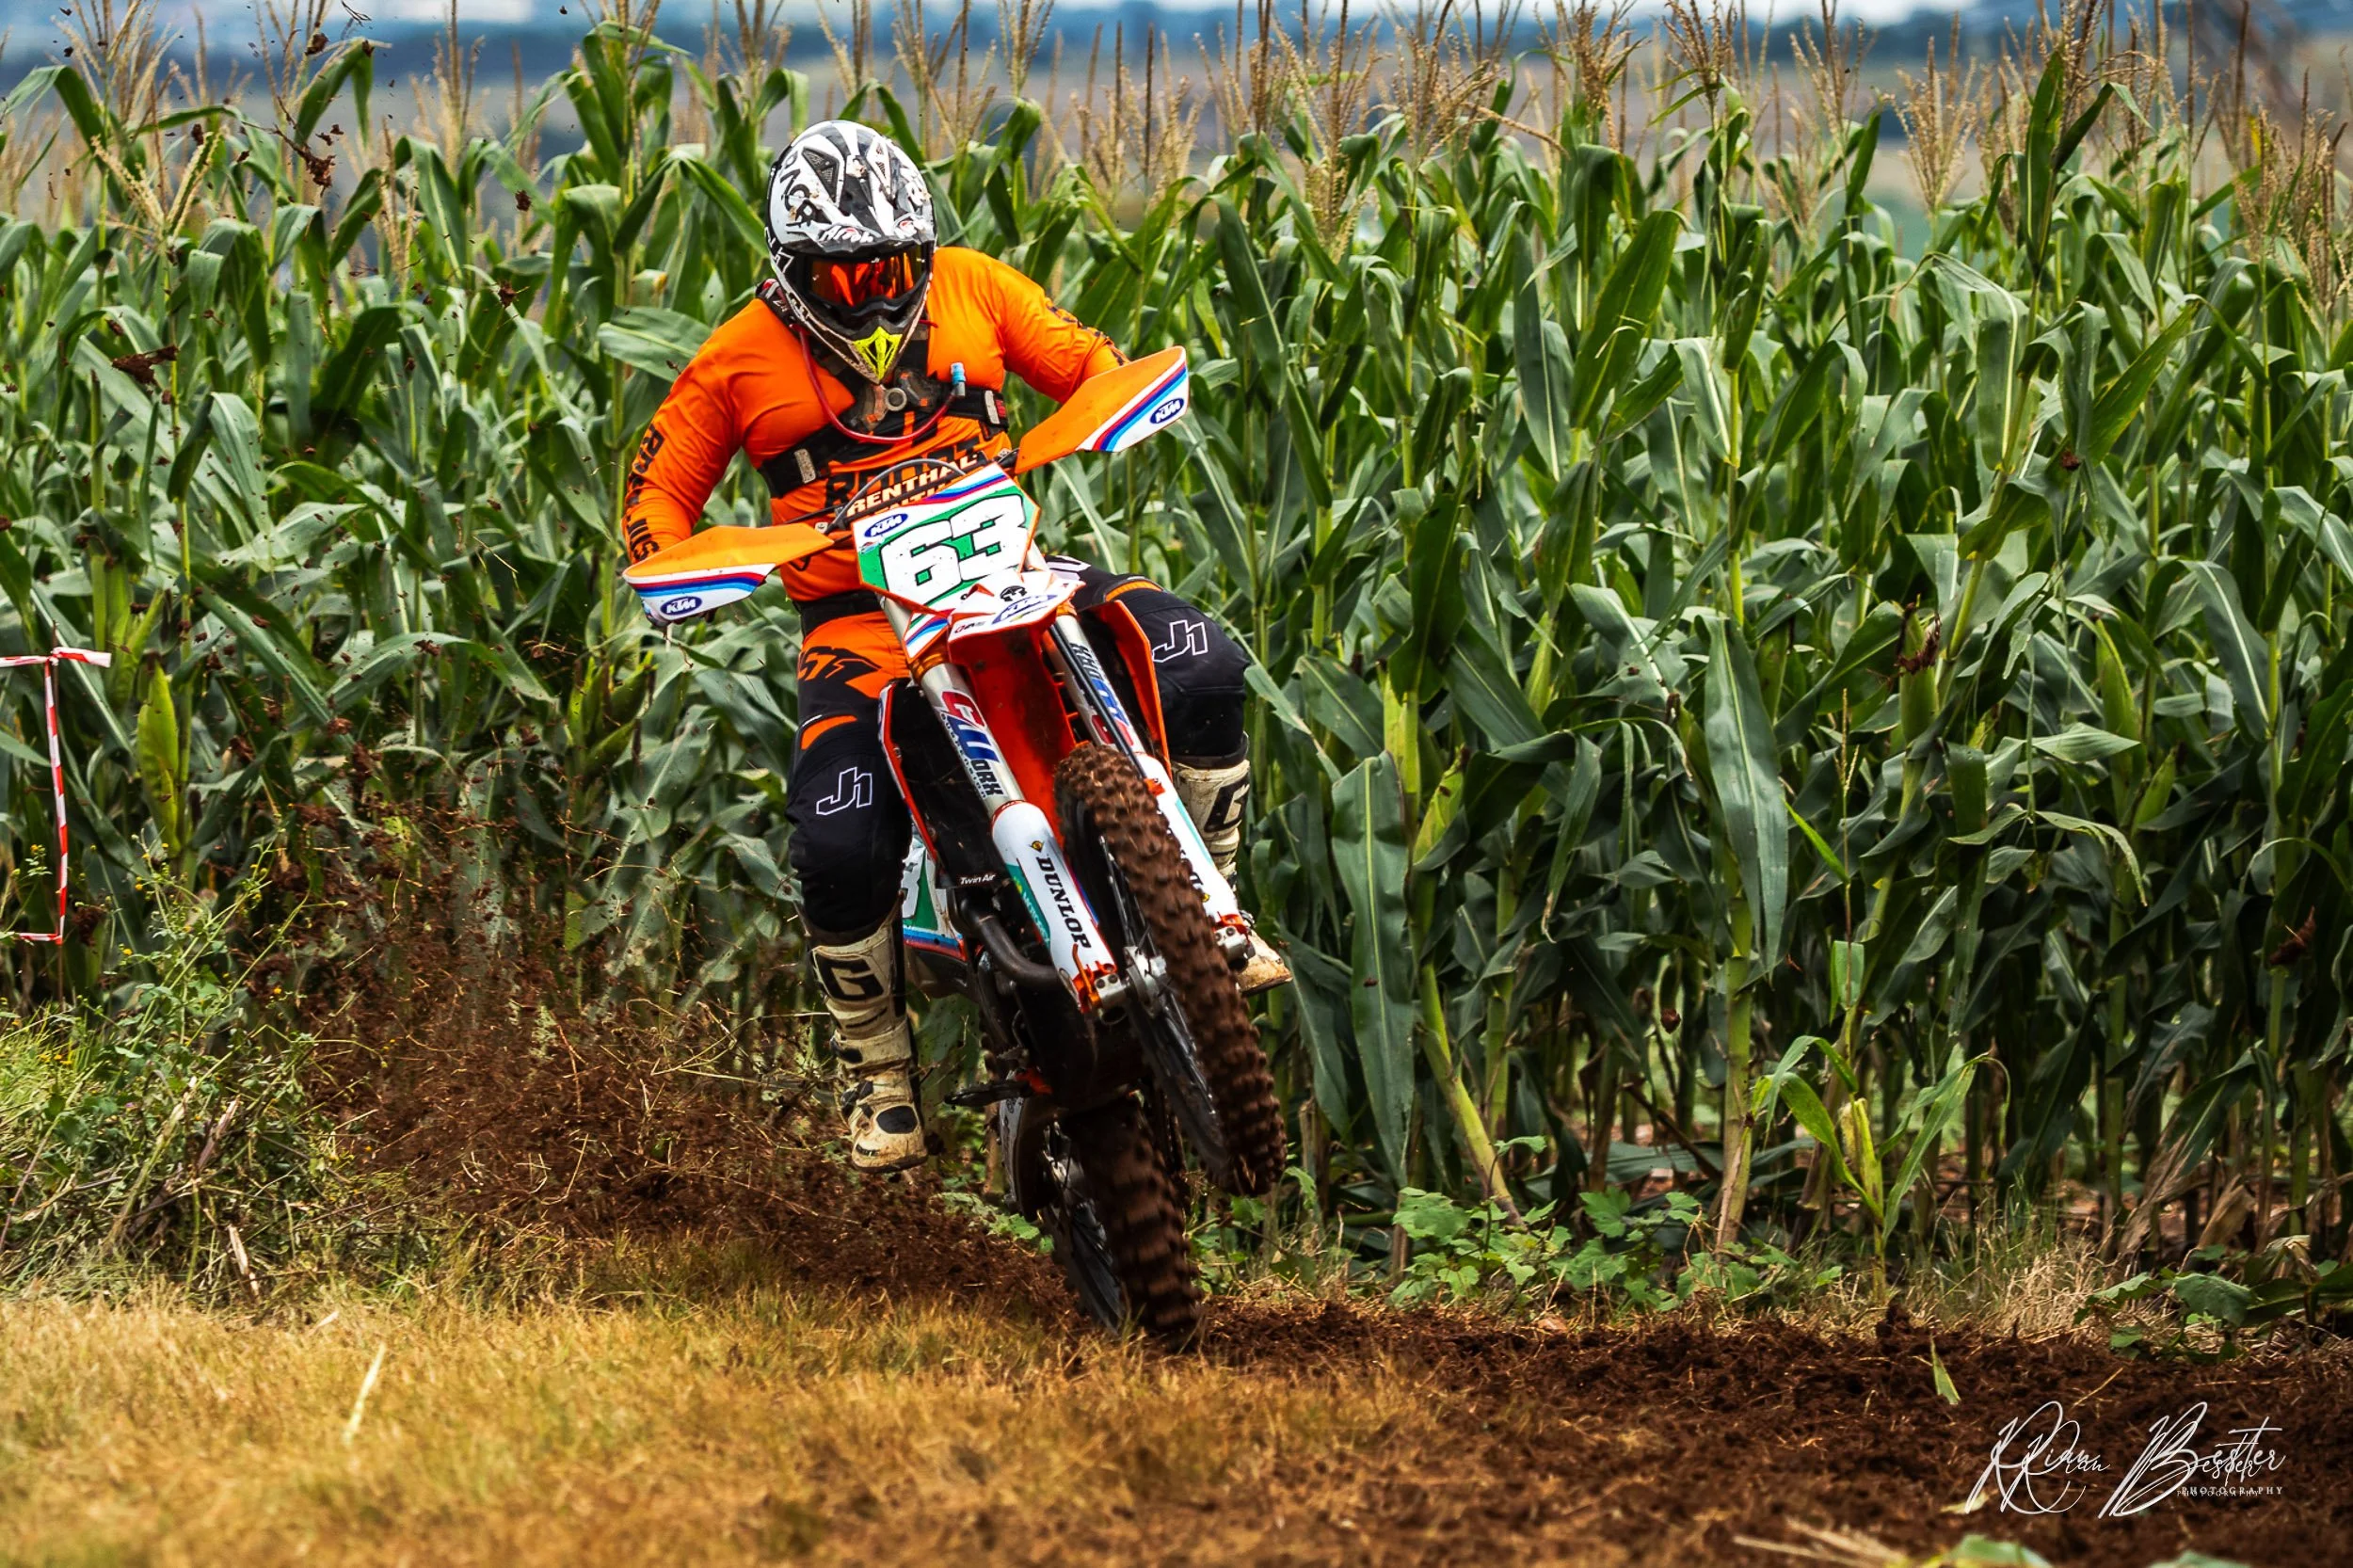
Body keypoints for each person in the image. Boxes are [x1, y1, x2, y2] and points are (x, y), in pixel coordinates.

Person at [620, 120, 1283, 1174]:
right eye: (843, 274)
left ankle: (1212, 915)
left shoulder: (974, 285)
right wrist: (680, 563)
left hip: (1009, 570)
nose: (870, 291)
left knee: (1199, 655)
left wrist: (1111, 395)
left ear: (919, 253)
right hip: (858, 626)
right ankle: (876, 1071)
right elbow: (655, 496)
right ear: (794, 271)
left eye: (887, 266)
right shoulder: (736, 359)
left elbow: (1081, 359)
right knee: (836, 839)